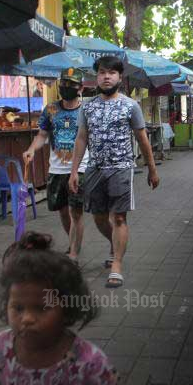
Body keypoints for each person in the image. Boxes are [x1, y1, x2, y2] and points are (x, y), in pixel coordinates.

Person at [0, 232, 133, 385]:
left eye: (42, 308)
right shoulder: (1, 348)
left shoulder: (87, 360)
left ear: (67, 307)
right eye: (18, 308)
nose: (27, 318)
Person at [69, 55, 160, 289]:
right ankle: (114, 243)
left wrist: (152, 169)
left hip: (121, 168)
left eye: (111, 73)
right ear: (97, 77)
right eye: (101, 72)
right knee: (99, 217)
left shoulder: (130, 105)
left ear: (120, 77)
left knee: (119, 216)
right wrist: (74, 171)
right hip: (94, 169)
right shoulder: (88, 106)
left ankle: (117, 264)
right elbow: (81, 138)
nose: (106, 76)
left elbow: (142, 138)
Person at [23, 68, 104, 264]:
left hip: (80, 169)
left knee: (76, 212)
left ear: (81, 88)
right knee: (62, 211)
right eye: (64, 84)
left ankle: (74, 254)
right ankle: (73, 243)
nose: (66, 87)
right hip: (56, 169)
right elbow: (42, 135)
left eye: (71, 85)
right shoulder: (50, 110)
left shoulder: (87, 110)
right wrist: (32, 149)